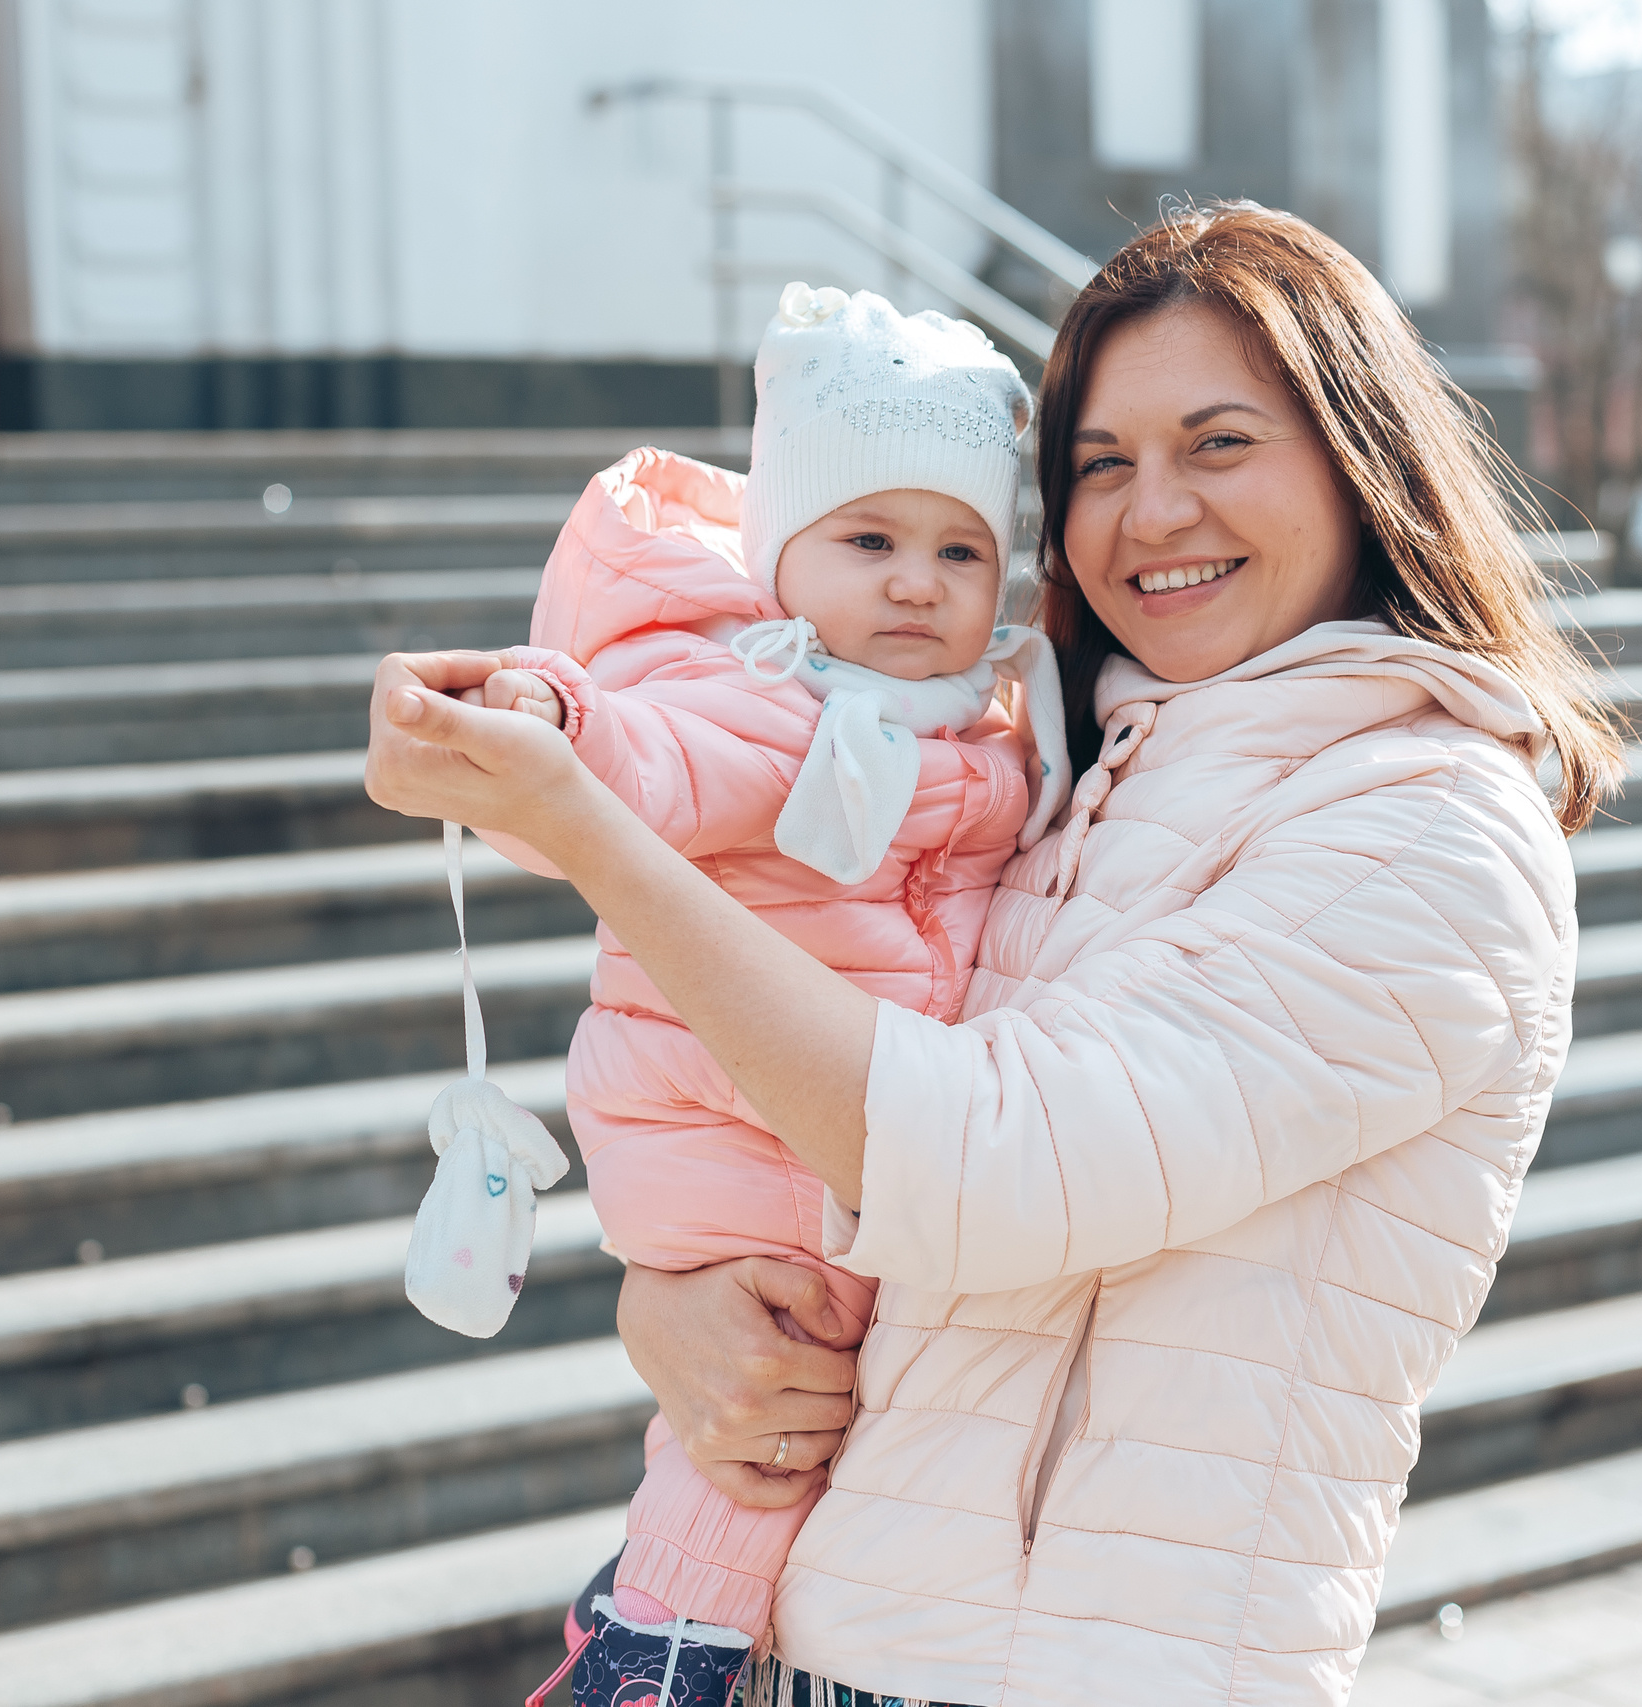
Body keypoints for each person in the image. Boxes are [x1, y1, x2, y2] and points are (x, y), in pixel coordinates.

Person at [367, 203, 1625, 1706]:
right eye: (1101, 465)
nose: (1151, 513)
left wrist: (590, 831)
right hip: (839, 1636)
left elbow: (986, 1160)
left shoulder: (1431, 826)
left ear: (1364, 459)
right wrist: (684, 1300)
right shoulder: (1081, 763)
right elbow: (852, 1141)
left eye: (1218, 444)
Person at [461, 284, 1067, 1707]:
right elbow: (643, 767)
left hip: (845, 1140)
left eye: (958, 549)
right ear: (783, 556)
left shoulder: (978, 725)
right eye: (869, 541)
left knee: (786, 1424)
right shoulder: (765, 701)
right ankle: (650, 1657)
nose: (915, 582)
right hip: (741, 1147)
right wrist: (553, 725)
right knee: (760, 1435)